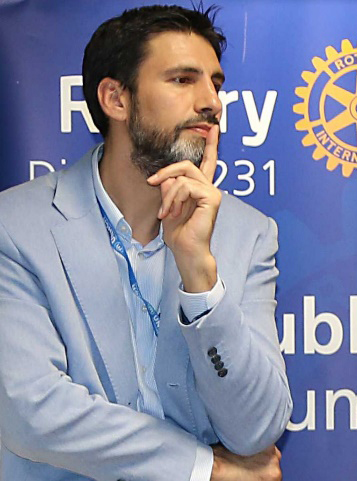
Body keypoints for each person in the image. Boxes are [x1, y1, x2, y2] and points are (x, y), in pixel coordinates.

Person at [0, 4, 292, 481]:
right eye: (183, 80)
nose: (212, 102)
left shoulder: (248, 233)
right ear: (116, 99)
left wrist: (199, 275)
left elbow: (257, 428)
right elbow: (30, 410)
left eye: (216, 84)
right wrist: (205, 469)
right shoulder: (14, 226)